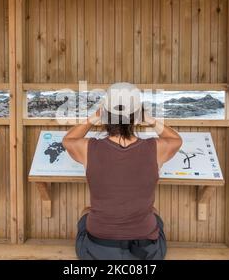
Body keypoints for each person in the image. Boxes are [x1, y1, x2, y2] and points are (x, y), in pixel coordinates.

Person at [62, 82, 182, 260]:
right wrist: (149, 119)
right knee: (154, 212)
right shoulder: (155, 148)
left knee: (86, 211)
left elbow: (69, 139)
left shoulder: (88, 148)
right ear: (136, 116)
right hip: (147, 252)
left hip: (96, 250)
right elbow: (176, 140)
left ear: (105, 114)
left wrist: (94, 118)